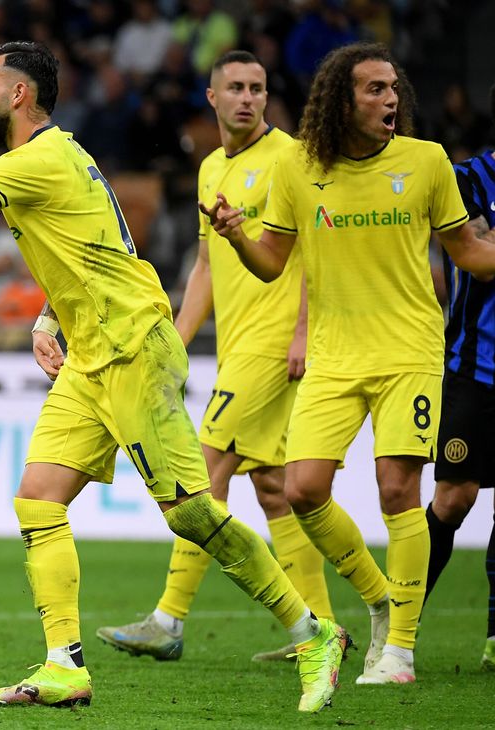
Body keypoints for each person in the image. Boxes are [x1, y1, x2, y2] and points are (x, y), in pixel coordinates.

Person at [0, 41, 349, 713]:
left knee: (191, 512)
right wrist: (50, 318)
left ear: (19, 94)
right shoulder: (62, 157)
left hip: (132, 348)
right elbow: (92, 248)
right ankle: (64, 666)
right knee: (39, 500)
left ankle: (314, 634)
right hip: (91, 354)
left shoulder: (37, 159)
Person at [201, 42, 495, 685]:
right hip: (333, 356)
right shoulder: (299, 168)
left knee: (398, 488)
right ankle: (381, 598)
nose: (391, 98)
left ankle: (400, 652)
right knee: (303, 490)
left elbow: (470, 253)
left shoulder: (426, 162)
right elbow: (272, 264)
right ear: (341, 100)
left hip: (409, 350)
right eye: (374, 88)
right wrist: (237, 236)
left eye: (394, 87)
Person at [96, 50, 334, 664]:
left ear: (267, 97)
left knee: (201, 474)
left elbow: (318, 250)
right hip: (237, 347)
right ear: (212, 98)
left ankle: (168, 619)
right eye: (235, 87)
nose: (247, 98)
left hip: (273, 346)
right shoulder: (210, 168)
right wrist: (173, 341)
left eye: (257, 88)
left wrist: (303, 330)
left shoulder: (289, 159)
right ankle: (321, 629)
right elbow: (204, 265)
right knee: (273, 489)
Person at [422, 83, 495, 672]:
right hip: (474, 367)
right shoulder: (468, 179)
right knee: (452, 499)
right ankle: (399, 624)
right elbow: (472, 252)